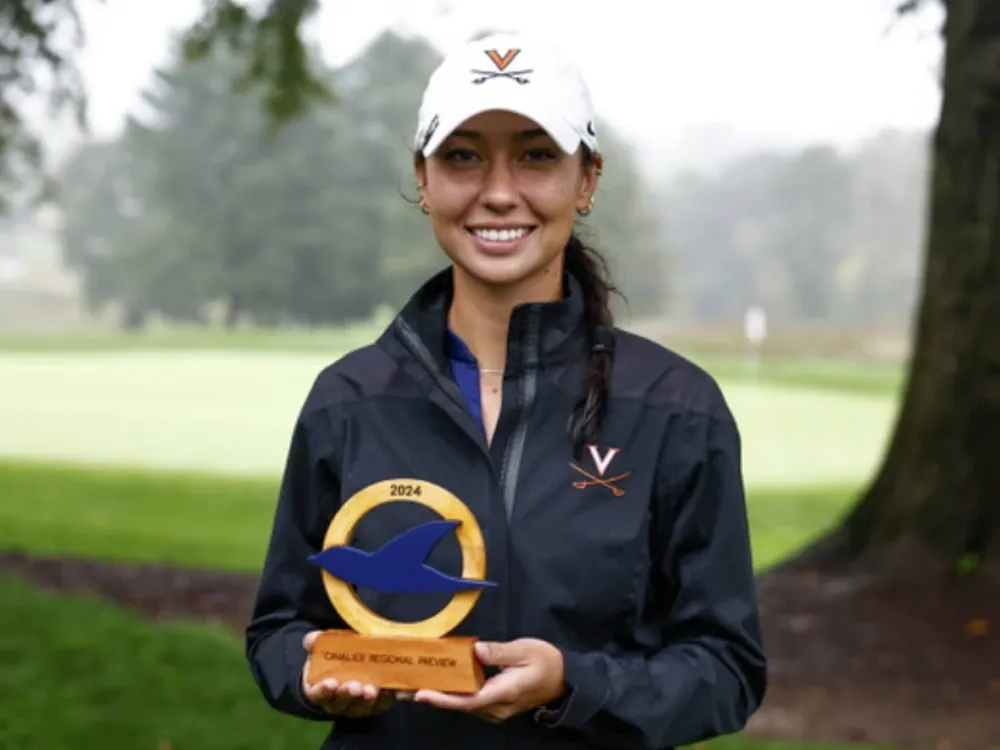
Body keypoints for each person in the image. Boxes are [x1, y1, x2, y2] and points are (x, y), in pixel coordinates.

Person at [246, 31, 767, 750]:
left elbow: (726, 668)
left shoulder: (676, 407)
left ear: (586, 180)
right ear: (422, 178)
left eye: (536, 156)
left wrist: (573, 684)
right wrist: (309, 677)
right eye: (462, 156)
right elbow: (279, 630)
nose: (498, 192)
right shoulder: (347, 400)